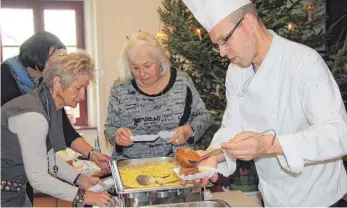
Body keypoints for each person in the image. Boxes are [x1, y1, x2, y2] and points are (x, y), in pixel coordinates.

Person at [181, 0, 347, 206]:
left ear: (248, 22)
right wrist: (212, 156)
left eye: (225, 40)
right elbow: (232, 127)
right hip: (273, 197)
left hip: (319, 196)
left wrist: (270, 145)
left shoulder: (304, 62)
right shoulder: (236, 71)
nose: (222, 52)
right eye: (217, 45)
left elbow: (338, 133)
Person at [1, 31, 111, 203]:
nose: (82, 96)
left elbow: (47, 157)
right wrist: (84, 197)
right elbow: (39, 178)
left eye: (85, 89)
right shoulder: (33, 116)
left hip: (16, 192)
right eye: (78, 88)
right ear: (57, 82)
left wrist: (81, 179)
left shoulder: (46, 105)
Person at [104, 31, 211, 159]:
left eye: (147, 65)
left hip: (176, 163)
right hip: (130, 166)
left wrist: (189, 131)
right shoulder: (120, 88)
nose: (142, 73)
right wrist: (116, 135)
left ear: (160, 62)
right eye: (135, 68)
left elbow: (203, 116)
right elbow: (109, 127)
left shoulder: (181, 82)